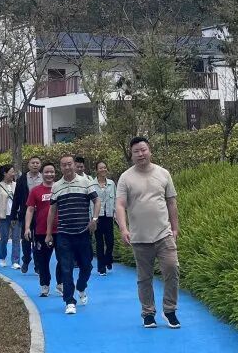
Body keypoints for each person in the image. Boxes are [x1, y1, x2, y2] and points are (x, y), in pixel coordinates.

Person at [116, 135, 181, 329]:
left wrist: (175, 227)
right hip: (139, 237)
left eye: (143, 150)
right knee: (144, 278)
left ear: (150, 151)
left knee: (172, 269)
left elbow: (171, 202)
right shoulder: (126, 177)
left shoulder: (163, 173)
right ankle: (148, 313)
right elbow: (120, 205)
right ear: (131, 154)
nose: (140, 154)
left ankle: (169, 310)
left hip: (164, 234)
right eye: (136, 151)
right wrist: (123, 228)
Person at [48, 151, 99, 316]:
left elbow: (97, 200)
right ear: (60, 167)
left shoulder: (86, 182)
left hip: (83, 232)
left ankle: (81, 286)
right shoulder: (56, 186)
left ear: (74, 165)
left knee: (87, 266)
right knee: (66, 268)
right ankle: (69, 301)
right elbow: (52, 210)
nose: (67, 167)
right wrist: (49, 233)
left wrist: (94, 219)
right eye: (64, 165)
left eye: (70, 164)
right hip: (64, 234)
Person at [23, 163, 57, 297]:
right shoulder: (35, 191)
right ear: (42, 174)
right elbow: (30, 209)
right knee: (43, 260)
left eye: (52, 172)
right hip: (41, 231)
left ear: (55, 173)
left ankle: (60, 283)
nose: (49, 174)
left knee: (64, 259)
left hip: (60, 231)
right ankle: (44, 285)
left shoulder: (60, 188)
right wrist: (27, 227)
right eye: (46, 172)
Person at [12, 156, 44, 274]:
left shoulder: (44, 178)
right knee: (26, 239)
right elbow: (16, 197)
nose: (35, 165)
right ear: (28, 165)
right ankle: (26, 259)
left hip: (40, 215)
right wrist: (13, 214)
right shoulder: (22, 179)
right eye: (33, 163)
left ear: (40, 165)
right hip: (26, 214)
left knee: (39, 240)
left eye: (37, 163)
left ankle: (38, 264)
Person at [0, 165, 20, 268]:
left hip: (15, 216)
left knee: (16, 238)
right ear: (5, 173)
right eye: (11, 172)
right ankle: (3, 257)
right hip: (4, 216)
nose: (13, 174)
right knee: (4, 238)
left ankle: (15, 261)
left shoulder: (16, 185)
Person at [94, 160, 116, 275]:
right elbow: (90, 202)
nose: (103, 169)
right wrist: (92, 218)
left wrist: (116, 215)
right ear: (97, 170)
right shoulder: (92, 185)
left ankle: (108, 259)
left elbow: (116, 199)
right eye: (100, 168)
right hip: (97, 217)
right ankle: (101, 267)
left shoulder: (111, 184)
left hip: (109, 216)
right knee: (99, 243)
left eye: (104, 167)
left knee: (110, 241)